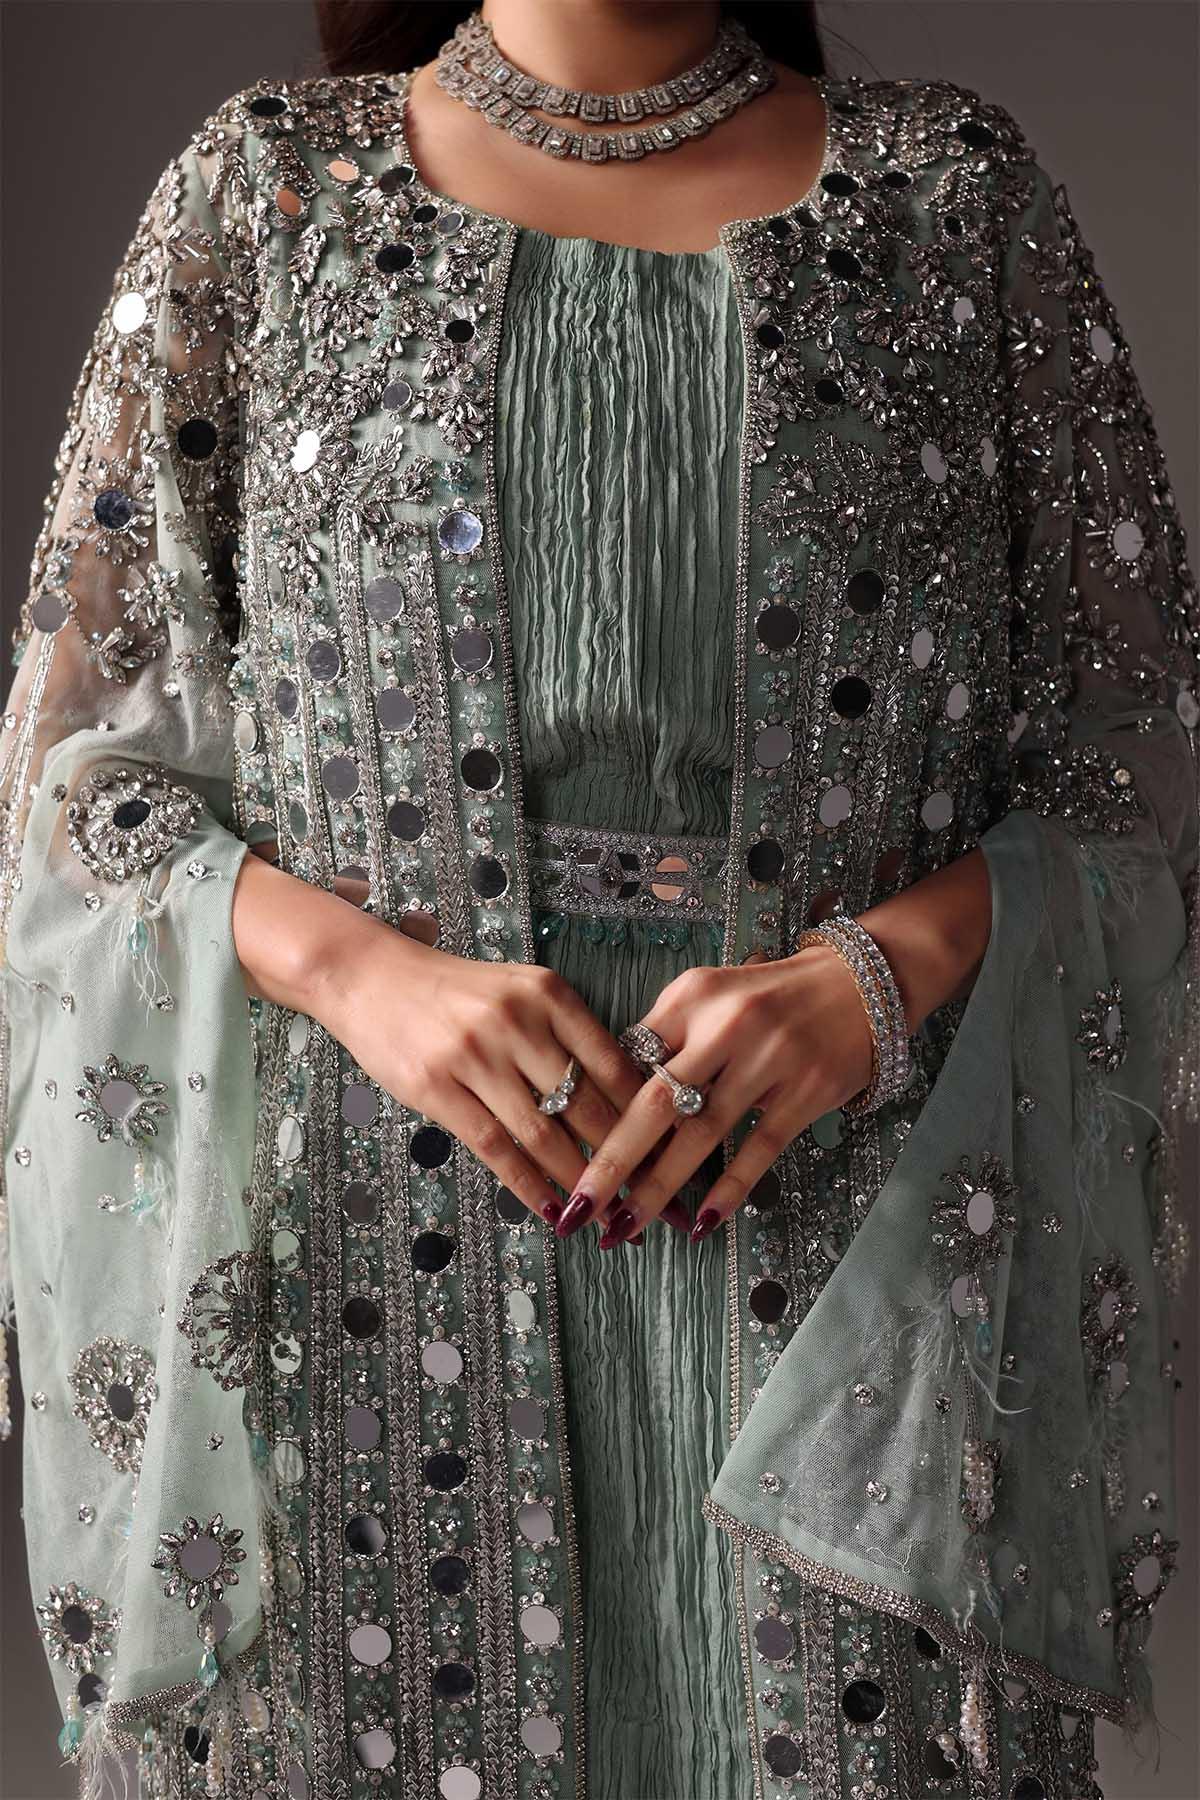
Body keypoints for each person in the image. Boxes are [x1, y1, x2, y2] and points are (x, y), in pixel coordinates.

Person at [1, 2, 1196, 1795]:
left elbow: (1137, 773)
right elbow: (78, 793)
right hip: (371, 1266)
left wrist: (878, 977)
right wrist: (359, 974)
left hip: (850, 1258)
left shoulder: (953, 201)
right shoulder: (267, 195)